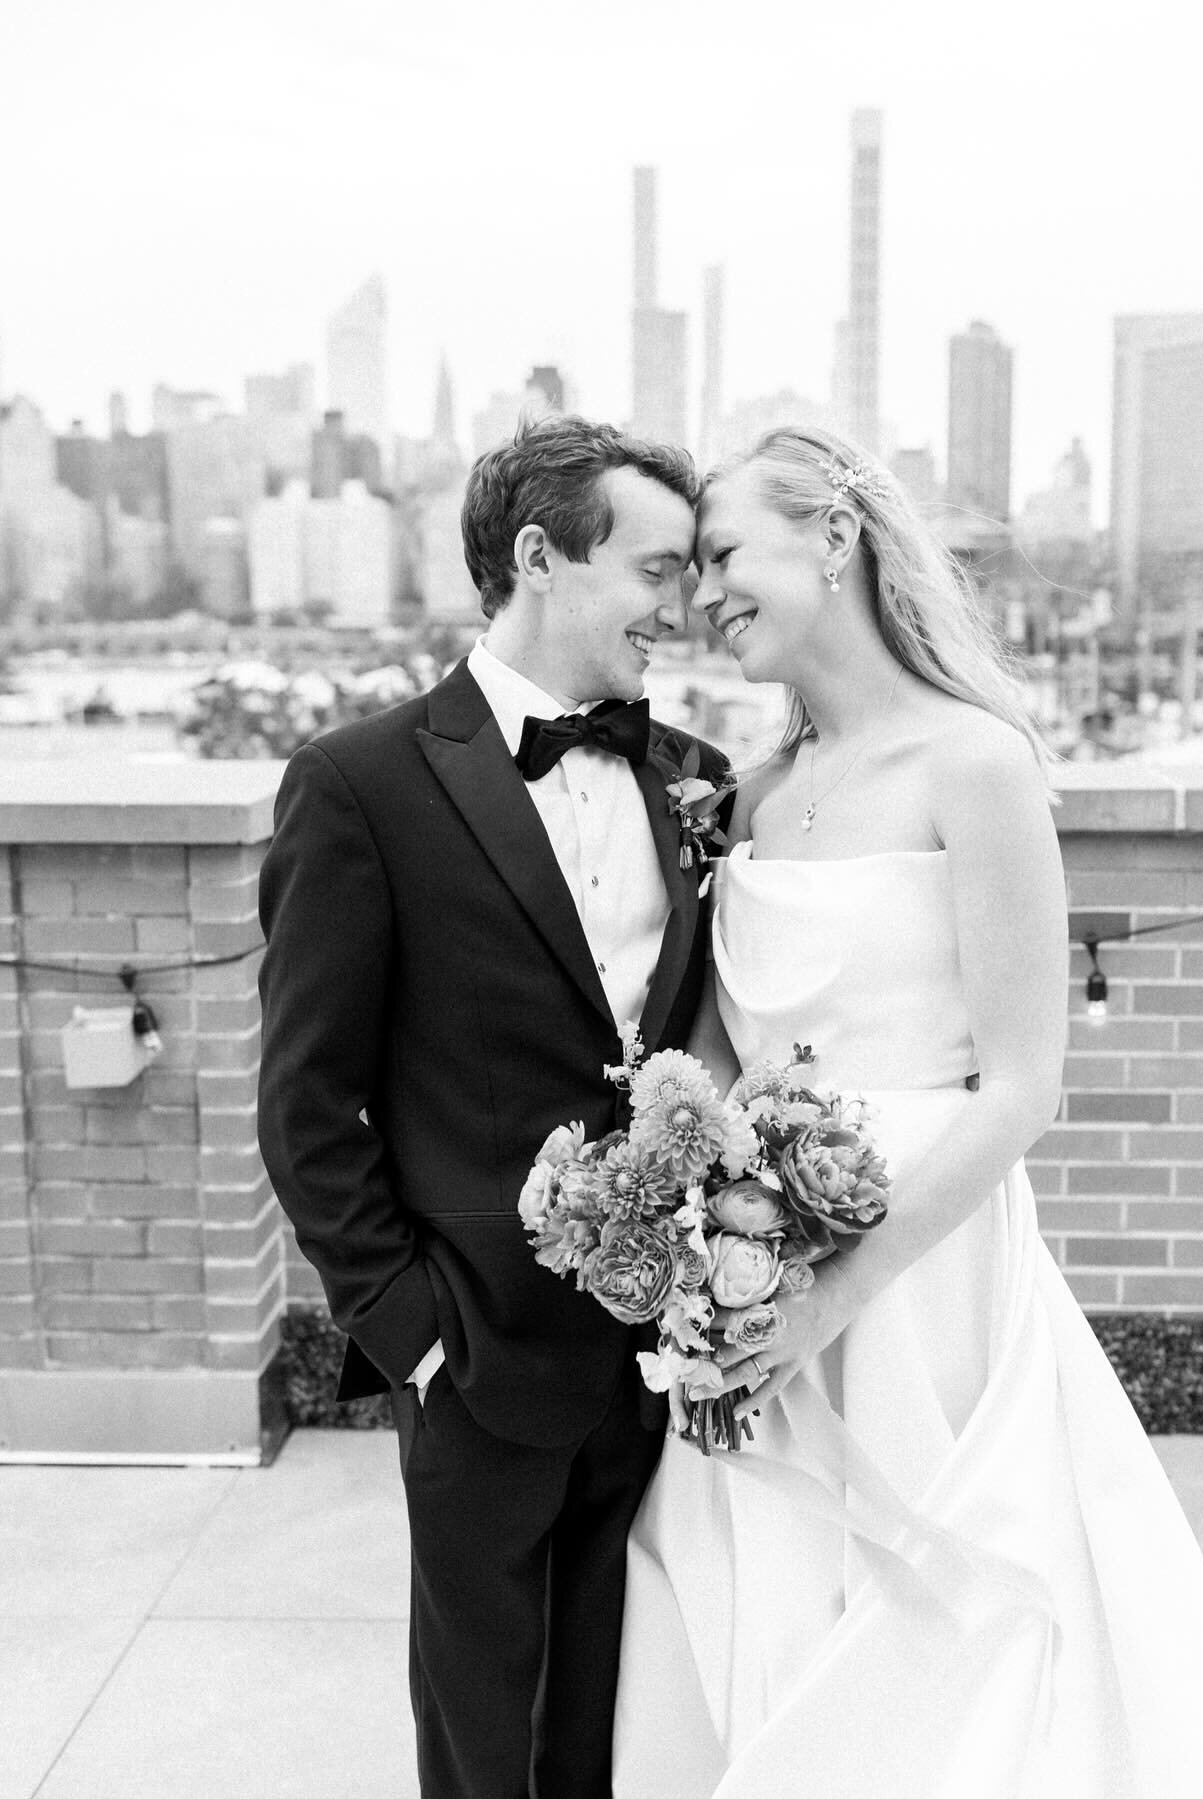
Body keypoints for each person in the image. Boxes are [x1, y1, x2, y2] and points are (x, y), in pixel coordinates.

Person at [611, 426, 1203, 1798]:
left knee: (958, 1630)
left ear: (833, 536)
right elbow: (717, 1052)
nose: (700, 597)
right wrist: (697, 1246)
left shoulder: (977, 766)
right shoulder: (747, 798)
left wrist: (838, 1296)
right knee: (768, 1606)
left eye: (724, 555)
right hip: (756, 1267)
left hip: (928, 1276)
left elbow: (1026, 1088)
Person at [257, 413, 729, 1799]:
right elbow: (305, 1103)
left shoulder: (696, 777)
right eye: (655, 569)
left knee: (620, 1716)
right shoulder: (359, 785)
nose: (683, 606)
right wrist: (414, 1341)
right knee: (480, 1736)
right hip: (474, 1356)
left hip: (665, 1355)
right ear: (541, 556)